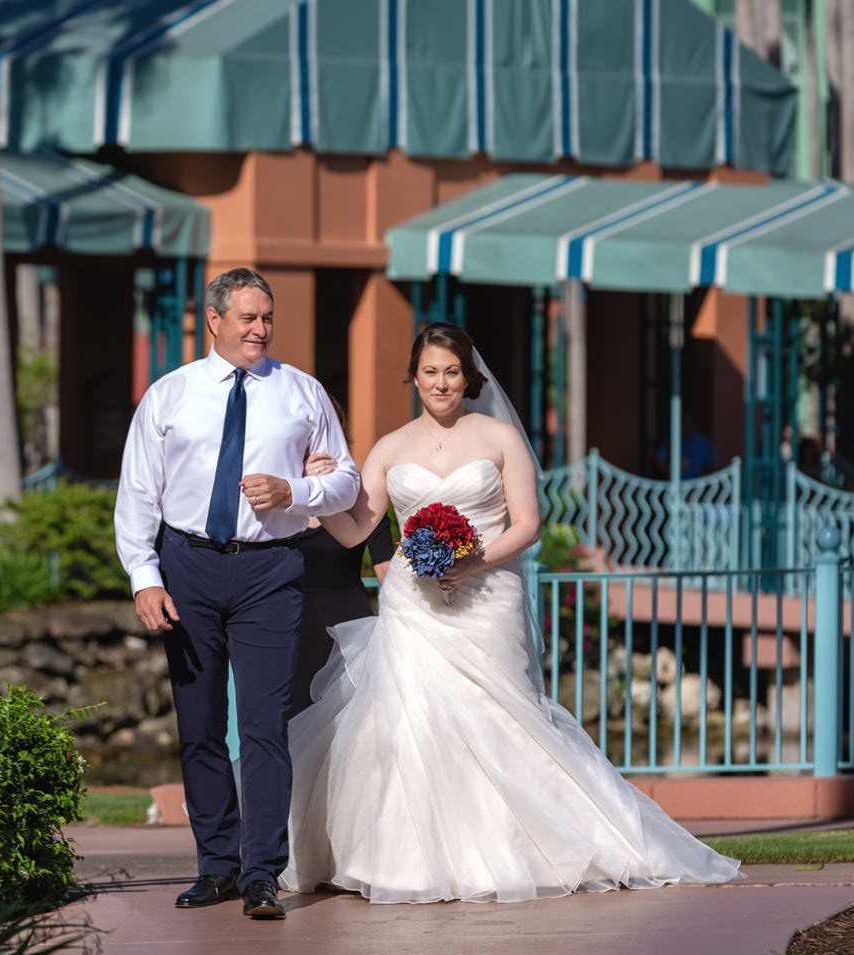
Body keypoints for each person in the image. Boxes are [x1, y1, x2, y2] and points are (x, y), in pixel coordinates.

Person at [284, 322, 741, 903]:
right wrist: (315, 491)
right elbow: (355, 534)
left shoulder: (498, 436)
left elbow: (526, 524)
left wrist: (472, 562)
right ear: (414, 376)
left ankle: (526, 849)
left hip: (485, 597)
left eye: (451, 371)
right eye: (429, 372)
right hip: (412, 603)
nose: (440, 383)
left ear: (468, 377)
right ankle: (403, 861)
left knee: (497, 716)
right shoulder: (390, 447)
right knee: (407, 722)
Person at [114, 268, 360, 920]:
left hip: (270, 570)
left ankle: (261, 874)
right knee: (198, 726)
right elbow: (137, 494)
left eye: (267, 318)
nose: (260, 329)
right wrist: (145, 577)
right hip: (187, 565)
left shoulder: (301, 393)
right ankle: (216, 867)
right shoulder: (169, 396)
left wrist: (294, 493)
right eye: (248, 317)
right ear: (215, 320)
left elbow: (346, 482)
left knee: (262, 726)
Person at [290, 395, 394, 719]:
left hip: (348, 632)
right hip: (288, 627)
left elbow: (387, 571)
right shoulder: (275, 494)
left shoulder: (360, 494)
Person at [654, 411, 721, 478]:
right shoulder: (671, 441)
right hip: (674, 482)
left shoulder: (703, 442)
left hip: (698, 484)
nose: (686, 425)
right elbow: (659, 463)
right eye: (683, 422)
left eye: (688, 421)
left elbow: (713, 464)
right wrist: (673, 469)